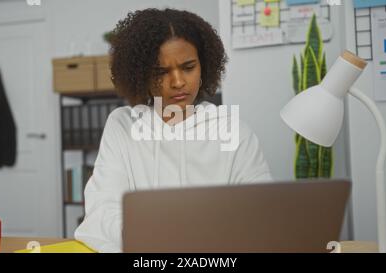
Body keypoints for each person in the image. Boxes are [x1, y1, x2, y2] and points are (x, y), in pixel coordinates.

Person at [74, 8, 273, 252]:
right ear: (141, 75)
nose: (178, 82)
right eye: (161, 72)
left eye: (188, 67)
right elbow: (103, 210)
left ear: (204, 66)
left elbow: (261, 212)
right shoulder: (123, 126)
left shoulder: (233, 130)